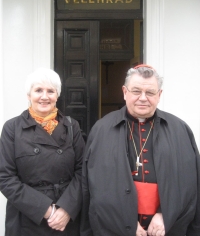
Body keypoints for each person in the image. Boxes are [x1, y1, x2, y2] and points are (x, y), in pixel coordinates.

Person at [81, 64, 200, 236]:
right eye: (136, 91)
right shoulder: (102, 129)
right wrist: (125, 223)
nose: (143, 98)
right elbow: (94, 186)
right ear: (124, 92)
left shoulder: (180, 129)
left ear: (159, 95)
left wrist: (166, 215)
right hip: (115, 229)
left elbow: (190, 182)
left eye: (150, 92)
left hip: (166, 229)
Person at [0, 68, 85, 236]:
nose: (45, 96)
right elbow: (5, 177)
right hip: (27, 218)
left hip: (65, 218)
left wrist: (67, 208)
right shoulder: (12, 128)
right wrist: (46, 210)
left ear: (57, 96)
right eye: (38, 90)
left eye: (50, 91)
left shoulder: (71, 126)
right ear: (28, 95)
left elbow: (83, 171)